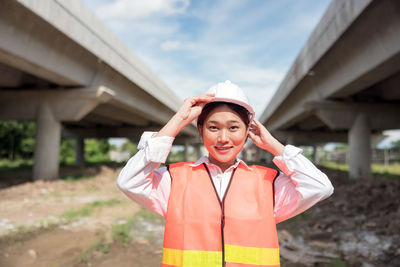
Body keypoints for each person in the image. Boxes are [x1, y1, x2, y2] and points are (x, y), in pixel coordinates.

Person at [117, 80, 334, 267]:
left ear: (248, 131)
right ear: (200, 130)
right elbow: (129, 181)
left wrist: (274, 146)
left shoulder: (268, 183)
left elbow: (320, 187)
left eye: (233, 128)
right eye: (213, 127)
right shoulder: (174, 179)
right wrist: (177, 122)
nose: (223, 138)